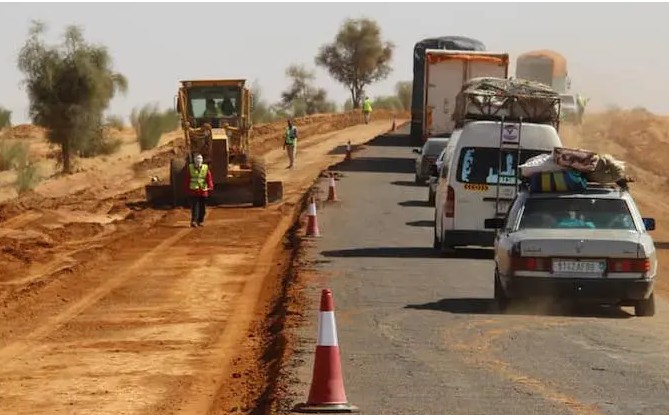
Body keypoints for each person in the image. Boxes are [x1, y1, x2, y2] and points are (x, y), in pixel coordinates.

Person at [183, 153, 214, 228]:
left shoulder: (205, 168)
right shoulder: (190, 168)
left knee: (202, 208)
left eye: (200, 160)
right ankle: (194, 221)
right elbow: (187, 179)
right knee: (195, 207)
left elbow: (208, 178)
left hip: (203, 191)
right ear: (194, 161)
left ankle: (200, 221)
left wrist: (210, 186)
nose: (198, 161)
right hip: (193, 191)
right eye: (197, 160)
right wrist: (186, 189)